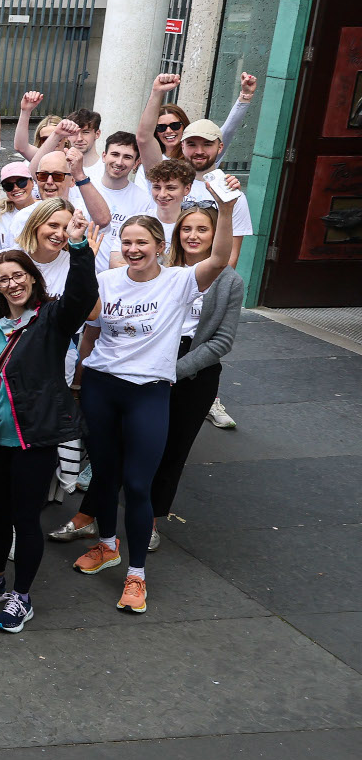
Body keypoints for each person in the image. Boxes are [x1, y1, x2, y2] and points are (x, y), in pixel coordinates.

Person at [70, 214, 233, 614]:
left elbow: (219, 258)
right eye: (127, 242)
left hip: (149, 392)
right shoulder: (107, 280)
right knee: (105, 476)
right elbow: (86, 321)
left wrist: (225, 211)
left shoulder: (179, 281)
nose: (133, 250)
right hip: (101, 385)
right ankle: (107, 546)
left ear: (160, 245)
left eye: (142, 242)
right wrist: (79, 254)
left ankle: (136, 574)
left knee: (138, 485)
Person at [0, 239, 96, 633]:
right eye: (3, 279)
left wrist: (81, 249)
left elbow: (84, 294)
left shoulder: (52, 318)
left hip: (34, 438)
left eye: (19, 275)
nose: (13, 284)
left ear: (33, 278)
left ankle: (23, 596)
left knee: (25, 518)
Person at [149, 205, 244, 532]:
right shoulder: (159, 270)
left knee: (173, 449)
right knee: (134, 443)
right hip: (151, 359)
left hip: (195, 370)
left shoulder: (230, 281)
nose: (193, 236)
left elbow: (222, 342)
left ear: (215, 235)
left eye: (202, 229)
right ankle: (95, 515)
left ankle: (150, 520)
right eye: (187, 229)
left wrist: (174, 371)